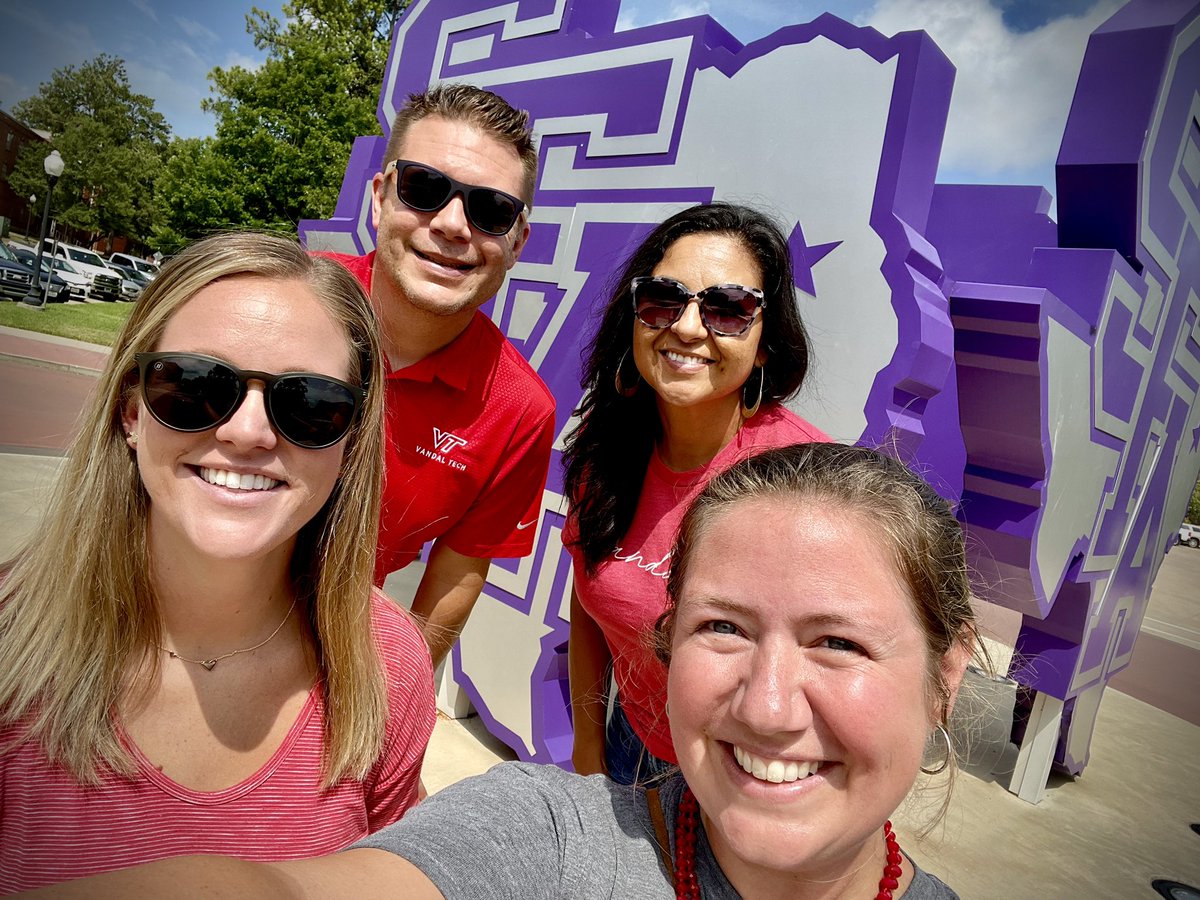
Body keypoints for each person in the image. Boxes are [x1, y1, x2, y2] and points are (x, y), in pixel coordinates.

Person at [30, 442, 979, 899]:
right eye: (723, 627)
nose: (769, 707)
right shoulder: (550, 844)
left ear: (947, 675)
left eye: (839, 643)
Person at [0, 232, 436, 893]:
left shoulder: (389, 665)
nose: (247, 432)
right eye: (196, 385)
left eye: (310, 405)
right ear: (129, 412)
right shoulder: (11, 637)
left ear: (348, 442)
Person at [562, 202, 830, 783]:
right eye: (664, 298)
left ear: (764, 344)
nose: (686, 327)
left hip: (750, 770)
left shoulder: (804, 481)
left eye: (728, 308)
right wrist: (588, 750)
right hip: (628, 742)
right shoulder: (603, 449)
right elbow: (589, 606)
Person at [317, 84, 555, 667]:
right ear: (379, 198)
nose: (452, 224)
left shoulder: (521, 411)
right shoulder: (276, 302)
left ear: (517, 240)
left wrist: (398, 701)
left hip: (323, 651)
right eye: (424, 188)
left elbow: (457, 572)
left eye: (491, 210)